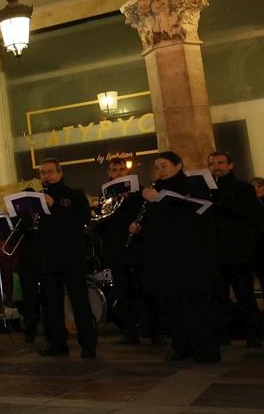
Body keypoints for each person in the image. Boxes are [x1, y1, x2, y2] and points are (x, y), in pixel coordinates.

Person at [130, 151, 222, 363]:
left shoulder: (192, 186)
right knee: (171, 305)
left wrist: (160, 200)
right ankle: (182, 346)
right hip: (164, 257)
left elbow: (194, 217)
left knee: (194, 304)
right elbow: (156, 221)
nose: (160, 170)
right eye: (157, 167)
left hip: (188, 256)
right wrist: (138, 227)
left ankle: (205, 349)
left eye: (164, 165)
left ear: (178, 165)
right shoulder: (155, 189)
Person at [26, 159, 97, 359]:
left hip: (71, 256)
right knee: (51, 305)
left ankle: (88, 345)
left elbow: (82, 219)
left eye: (49, 172)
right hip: (47, 258)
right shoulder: (37, 197)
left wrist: (54, 205)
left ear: (60, 173)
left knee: (79, 301)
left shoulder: (74, 195)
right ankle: (57, 344)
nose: (46, 176)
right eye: (42, 173)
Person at [92, 157, 152, 344]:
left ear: (127, 172)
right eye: (114, 170)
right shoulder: (104, 196)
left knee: (143, 290)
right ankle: (129, 331)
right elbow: (100, 224)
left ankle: (151, 330)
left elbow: (148, 216)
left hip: (138, 249)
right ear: (110, 174)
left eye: (121, 169)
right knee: (123, 292)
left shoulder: (140, 191)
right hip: (116, 251)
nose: (118, 172)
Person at [207, 151, 264, 347]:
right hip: (216, 252)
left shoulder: (243, 189)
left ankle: (254, 336)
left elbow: (253, 219)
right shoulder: (206, 191)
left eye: (221, 163)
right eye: (213, 164)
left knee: (244, 295)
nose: (217, 167)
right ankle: (224, 335)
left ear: (230, 166)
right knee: (220, 297)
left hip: (239, 252)